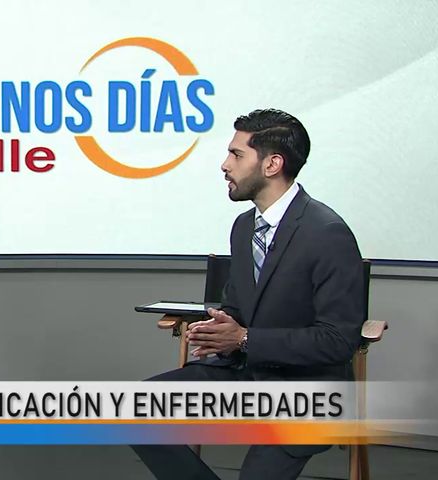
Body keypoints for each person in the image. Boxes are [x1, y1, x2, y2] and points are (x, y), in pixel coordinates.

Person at [132, 109, 364, 480]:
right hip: (245, 374)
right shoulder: (244, 228)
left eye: (236, 155)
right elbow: (238, 308)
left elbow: (337, 341)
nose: (225, 165)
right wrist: (221, 329)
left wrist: (244, 338)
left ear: (272, 164)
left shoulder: (327, 233)